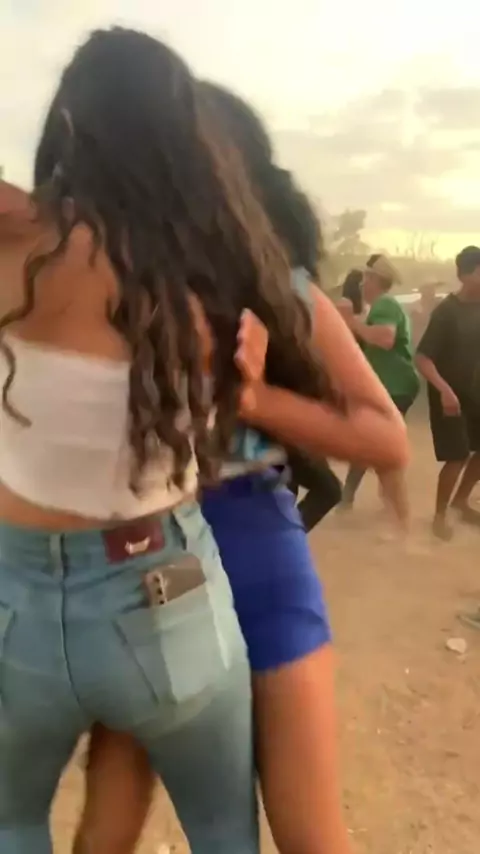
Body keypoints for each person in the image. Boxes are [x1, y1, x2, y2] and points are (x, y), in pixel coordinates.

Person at [0, 27, 349, 854]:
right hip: (165, 594)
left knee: (12, 820)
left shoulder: (18, 250)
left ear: (67, 129)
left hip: (19, 604)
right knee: (224, 829)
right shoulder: (215, 272)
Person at [74, 83, 409, 854]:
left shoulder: (280, 290)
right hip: (143, 561)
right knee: (109, 826)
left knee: (308, 833)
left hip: (250, 548)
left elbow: (386, 436)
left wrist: (252, 399)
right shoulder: (100, 287)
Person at [340, 253, 419, 526]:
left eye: (367, 279)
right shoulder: (382, 306)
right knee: (371, 444)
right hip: (392, 385)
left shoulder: (385, 304)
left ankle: (399, 516)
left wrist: (351, 322)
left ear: (375, 281)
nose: (363, 285)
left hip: (394, 385)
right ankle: (380, 506)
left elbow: (385, 338)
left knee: (380, 447)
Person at [416, 246, 480, 541]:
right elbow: (423, 357)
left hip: (475, 392)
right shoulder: (447, 312)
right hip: (449, 396)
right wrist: (444, 390)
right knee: (456, 456)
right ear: (465, 275)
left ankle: (461, 501)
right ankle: (439, 516)